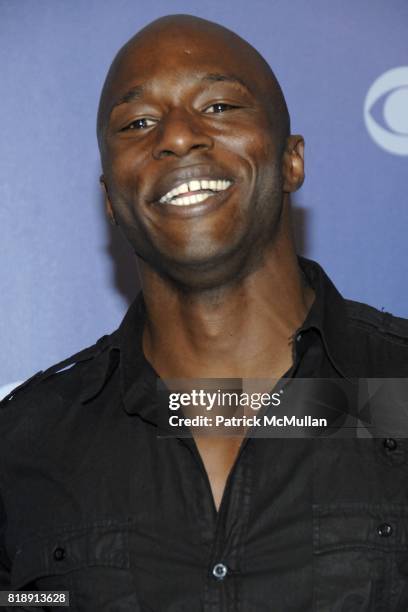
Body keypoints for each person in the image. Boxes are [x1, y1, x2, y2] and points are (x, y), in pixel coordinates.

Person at [1, 14, 408, 612]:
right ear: (111, 197)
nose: (178, 136)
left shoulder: (397, 388)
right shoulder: (25, 445)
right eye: (138, 123)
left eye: (218, 107)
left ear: (292, 160)